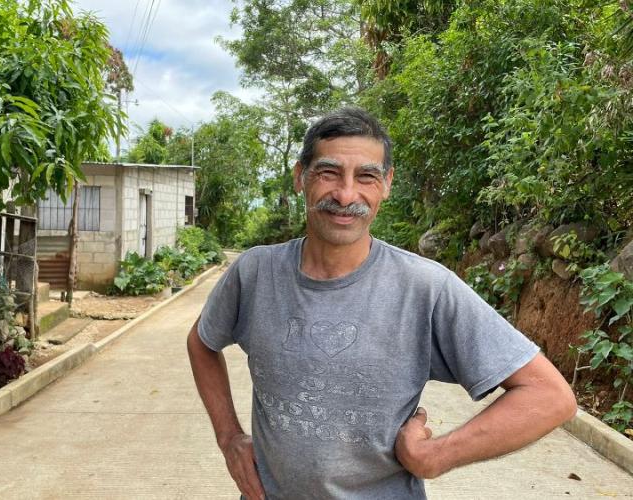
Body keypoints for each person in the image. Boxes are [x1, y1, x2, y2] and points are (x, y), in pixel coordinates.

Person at [186, 107, 577, 500]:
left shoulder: (425, 288)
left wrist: (436, 456)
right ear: (300, 177)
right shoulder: (255, 272)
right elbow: (202, 342)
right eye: (328, 173)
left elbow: (549, 396)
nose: (346, 195)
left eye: (366, 176)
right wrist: (228, 437)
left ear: (386, 184)